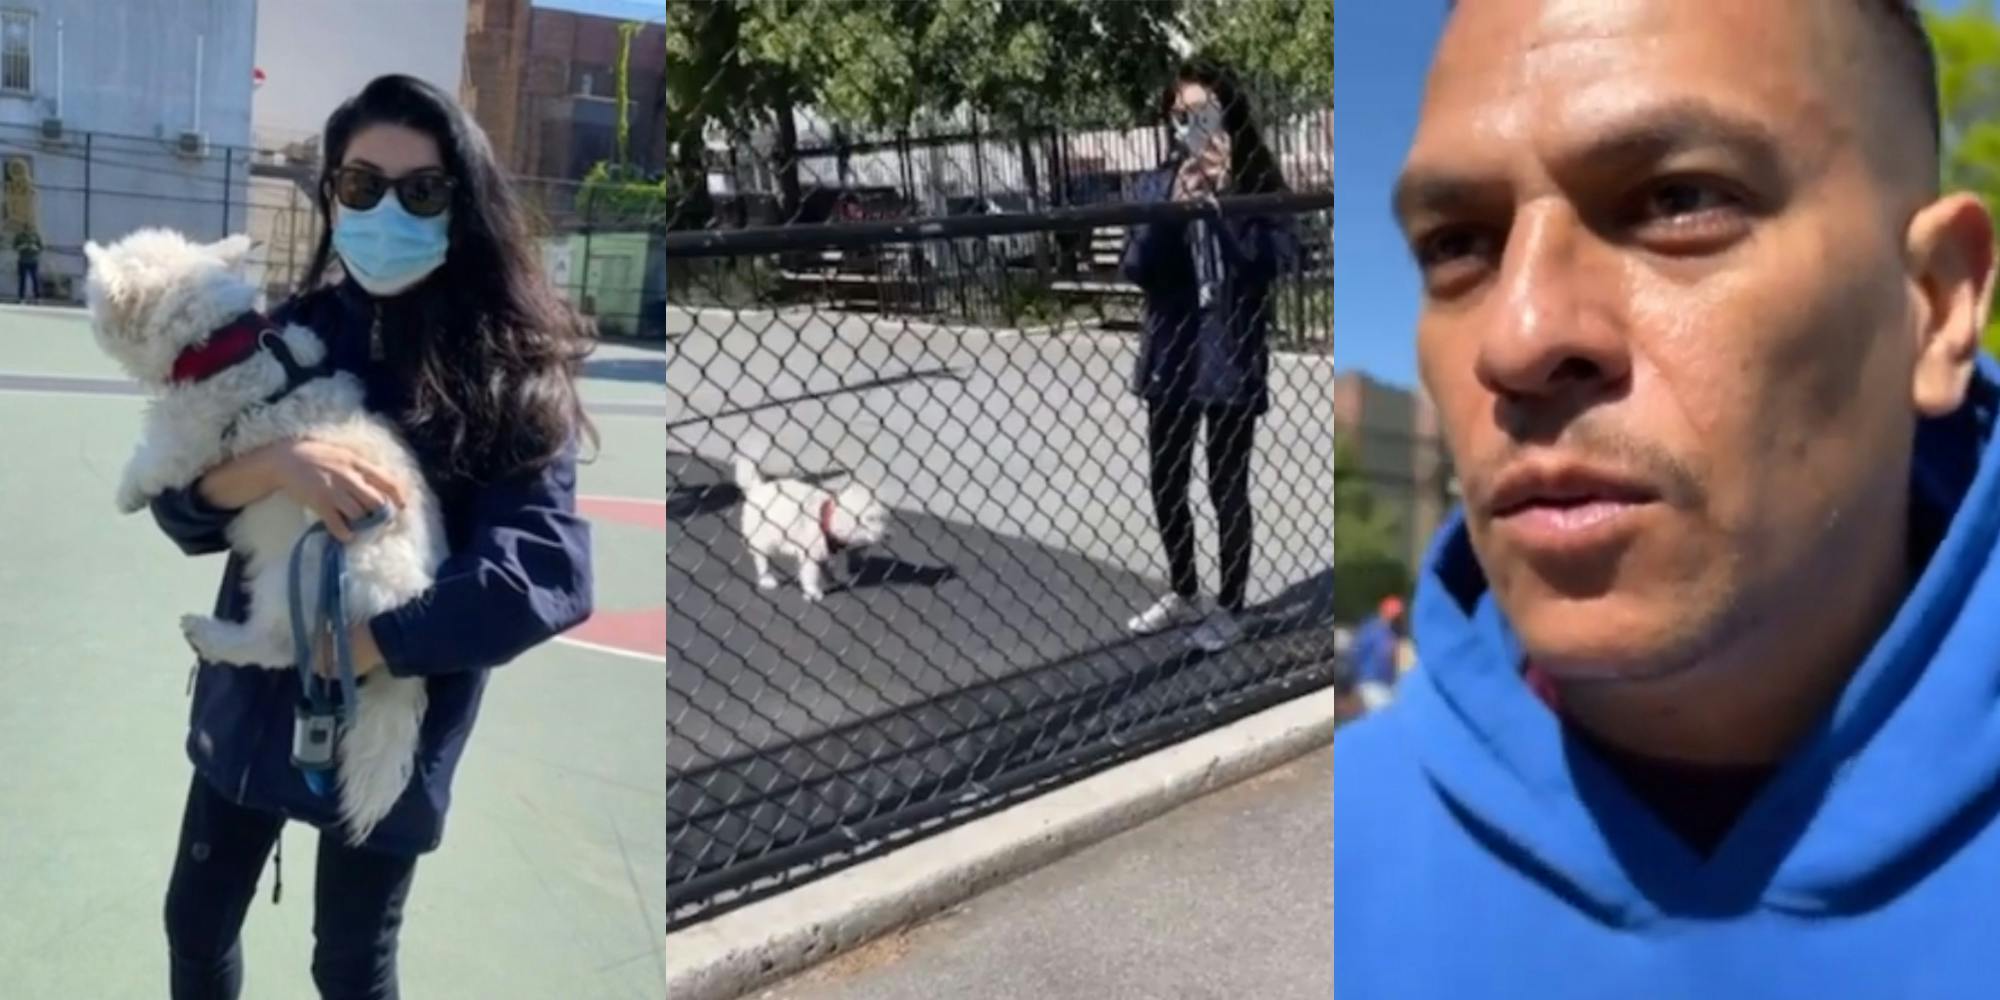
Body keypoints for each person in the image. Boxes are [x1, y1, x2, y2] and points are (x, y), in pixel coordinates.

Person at [1334, 2, 2000, 996]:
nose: (1513, 340)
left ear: (1936, 304)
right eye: (1458, 240)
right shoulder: (1345, 845)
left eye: (1676, 200)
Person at [147, 74, 598, 1000]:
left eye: (421, 190)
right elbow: (181, 505)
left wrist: (358, 648)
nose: (386, 208)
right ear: (331, 197)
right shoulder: (289, 336)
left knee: (349, 966)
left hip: (390, 710)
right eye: (361, 185)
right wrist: (282, 466)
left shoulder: (511, 370)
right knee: (194, 922)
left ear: (462, 206)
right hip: (254, 699)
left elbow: (542, 568)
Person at [1121, 57, 1295, 653]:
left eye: (1202, 112)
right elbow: (1137, 268)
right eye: (1179, 114)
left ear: (1226, 112)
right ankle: (1183, 590)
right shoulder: (1154, 183)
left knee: (1227, 485)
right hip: (1173, 352)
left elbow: (1281, 260)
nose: (1188, 124)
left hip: (1230, 352)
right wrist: (1174, 207)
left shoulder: (1257, 182)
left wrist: (1227, 202)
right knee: (1166, 480)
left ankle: (1231, 605)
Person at [1347, 596, 1404, 712]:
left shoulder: (1379, 630)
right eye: (1395, 616)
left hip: (1380, 683)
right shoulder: (1377, 631)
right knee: (1386, 716)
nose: (1398, 620)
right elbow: (1382, 655)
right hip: (1374, 683)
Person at [15, 222, 40, 302]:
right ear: (24, 229)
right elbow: (15, 247)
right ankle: (21, 297)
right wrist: (22, 246)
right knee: (22, 280)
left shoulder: (35, 236)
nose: (28, 230)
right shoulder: (19, 236)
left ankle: (37, 297)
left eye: (29, 229)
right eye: (26, 228)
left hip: (33, 261)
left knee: (35, 280)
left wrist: (35, 248)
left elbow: (40, 247)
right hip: (23, 261)